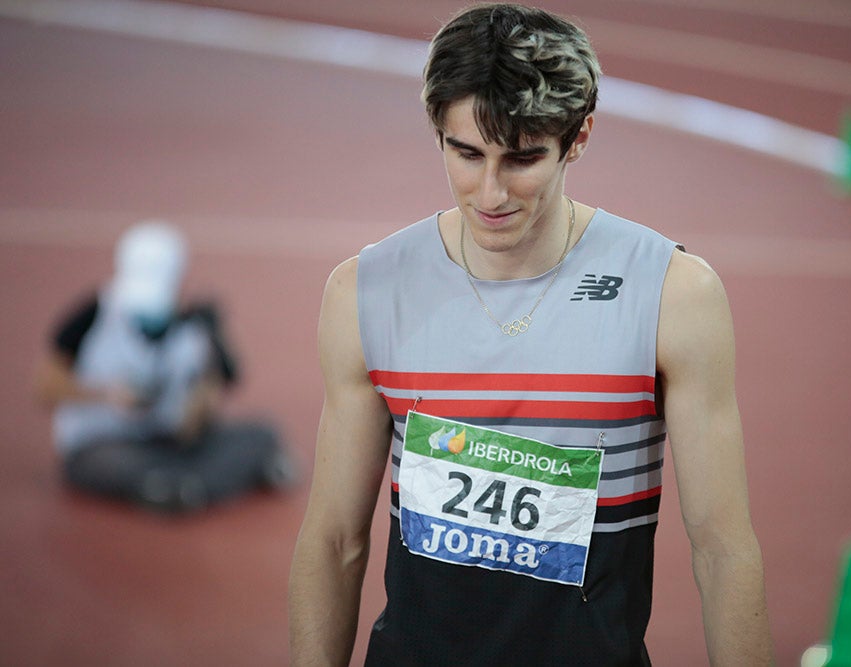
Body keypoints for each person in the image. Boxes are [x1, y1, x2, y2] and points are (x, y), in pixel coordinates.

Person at [289, 4, 773, 665]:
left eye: (522, 158)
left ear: (578, 138)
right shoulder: (366, 291)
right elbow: (334, 540)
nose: (490, 192)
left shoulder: (670, 294)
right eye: (466, 153)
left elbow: (723, 550)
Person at [34, 220, 296, 513]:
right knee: (116, 467)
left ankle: (184, 487)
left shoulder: (194, 329)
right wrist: (108, 395)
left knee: (261, 433)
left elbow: (194, 422)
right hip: (102, 443)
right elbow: (45, 387)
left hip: (166, 441)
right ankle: (190, 485)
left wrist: (212, 367)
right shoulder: (95, 314)